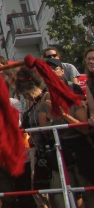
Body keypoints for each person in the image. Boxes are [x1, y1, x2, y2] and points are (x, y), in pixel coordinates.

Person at [37, 61, 94, 208]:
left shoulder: (73, 101)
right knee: (62, 195)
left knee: (88, 190)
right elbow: (44, 130)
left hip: (79, 148)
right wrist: (50, 116)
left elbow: (84, 128)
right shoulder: (45, 103)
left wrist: (64, 115)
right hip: (58, 149)